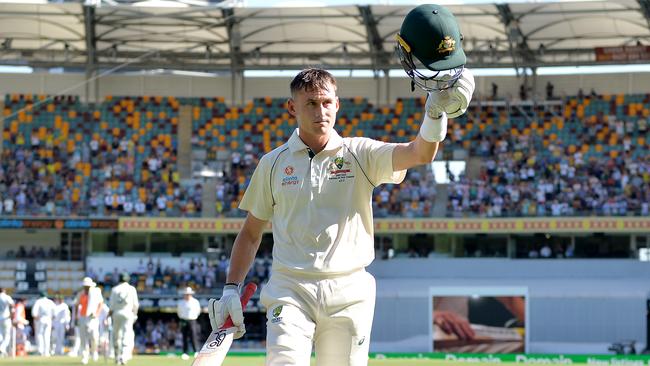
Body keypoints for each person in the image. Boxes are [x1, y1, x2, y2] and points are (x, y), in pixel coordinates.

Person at [207, 5, 475, 364]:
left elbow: (419, 154)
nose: (321, 111)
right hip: (290, 289)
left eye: (328, 102)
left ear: (338, 104)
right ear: (292, 108)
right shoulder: (271, 165)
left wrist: (435, 113)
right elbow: (252, 233)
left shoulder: (360, 153)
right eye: (311, 103)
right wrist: (230, 288)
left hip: (350, 290)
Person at [109, 272, 139, 365]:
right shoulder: (131, 289)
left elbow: (111, 306)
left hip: (117, 313)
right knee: (127, 334)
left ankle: (117, 356)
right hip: (127, 313)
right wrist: (135, 315)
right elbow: (136, 305)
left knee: (116, 335)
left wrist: (109, 315)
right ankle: (124, 356)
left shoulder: (114, 289)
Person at [74, 277, 104, 364]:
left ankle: (94, 352)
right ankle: (85, 356)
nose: (86, 287)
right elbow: (76, 304)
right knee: (83, 338)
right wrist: (76, 316)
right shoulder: (81, 294)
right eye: (85, 286)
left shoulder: (96, 292)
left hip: (92, 317)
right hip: (83, 317)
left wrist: (97, 313)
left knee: (94, 336)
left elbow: (101, 303)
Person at [177, 287, 201, 361]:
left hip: (192, 320)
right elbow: (179, 312)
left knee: (193, 336)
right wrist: (182, 318)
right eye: (186, 294)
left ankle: (196, 351)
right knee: (184, 337)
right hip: (184, 320)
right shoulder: (181, 302)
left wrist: (193, 317)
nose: (187, 295)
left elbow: (198, 311)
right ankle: (185, 353)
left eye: (188, 294)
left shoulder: (195, 302)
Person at [31, 291, 56, 356]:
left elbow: (34, 313)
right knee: (47, 336)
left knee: (39, 335)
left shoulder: (38, 301)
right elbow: (55, 313)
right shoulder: (50, 302)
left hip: (41, 319)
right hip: (48, 319)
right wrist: (51, 318)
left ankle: (40, 351)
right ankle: (46, 352)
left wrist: (36, 318)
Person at [0, 288, 14, 357]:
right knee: (7, 335)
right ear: (4, 291)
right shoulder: (6, 297)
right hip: (6, 318)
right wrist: (11, 315)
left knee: (1, 335)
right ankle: (2, 348)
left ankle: (2, 351)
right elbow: (12, 305)